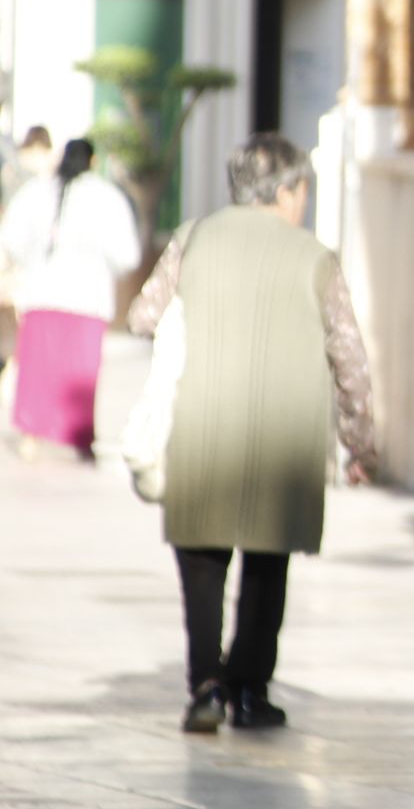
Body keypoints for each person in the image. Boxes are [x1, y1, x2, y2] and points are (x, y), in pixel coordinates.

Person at [127, 133, 378, 734]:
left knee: (203, 562)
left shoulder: (193, 236)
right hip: (284, 440)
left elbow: (142, 315)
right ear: (288, 191)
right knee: (268, 567)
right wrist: (360, 442)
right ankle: (250, 689)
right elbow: (350, 359)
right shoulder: (315, 257)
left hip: (201, 426)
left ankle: (205, 685)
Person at [0, 137, 139, 459]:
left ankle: (31, 436)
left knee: (39, 371)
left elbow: (12, 240)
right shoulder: (107, 197)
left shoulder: (36, 192)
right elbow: (127, 255)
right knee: (79, 374)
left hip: (43, 295)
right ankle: (79, 439)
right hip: (87, 299)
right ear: (92, 161)